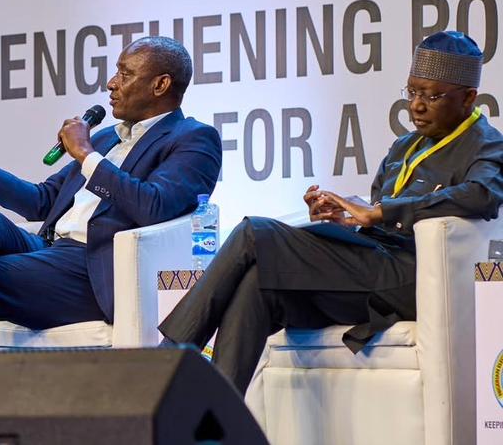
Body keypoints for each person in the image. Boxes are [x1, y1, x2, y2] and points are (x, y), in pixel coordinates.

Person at [158, 30, 503, 394]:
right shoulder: (404, 146)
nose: (416, 106)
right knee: (255, 285)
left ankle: (169, 358)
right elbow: (371, 215)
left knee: (252, 233)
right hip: (371, 267)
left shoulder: (488, 145)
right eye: (412, 92)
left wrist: (382, 212)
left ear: (468, 98)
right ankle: (216, 416)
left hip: (411, 275)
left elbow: (482, 195)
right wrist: (343, 219)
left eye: (432, 96)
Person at [0, 36, 222, 360]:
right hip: (50, 251)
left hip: (92, 270)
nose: (111, 83)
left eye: (125, 74)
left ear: (161, 84)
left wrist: (86, 155)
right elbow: (42, 200)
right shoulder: (106, 139)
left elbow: (155, 206)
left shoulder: (193, 138)